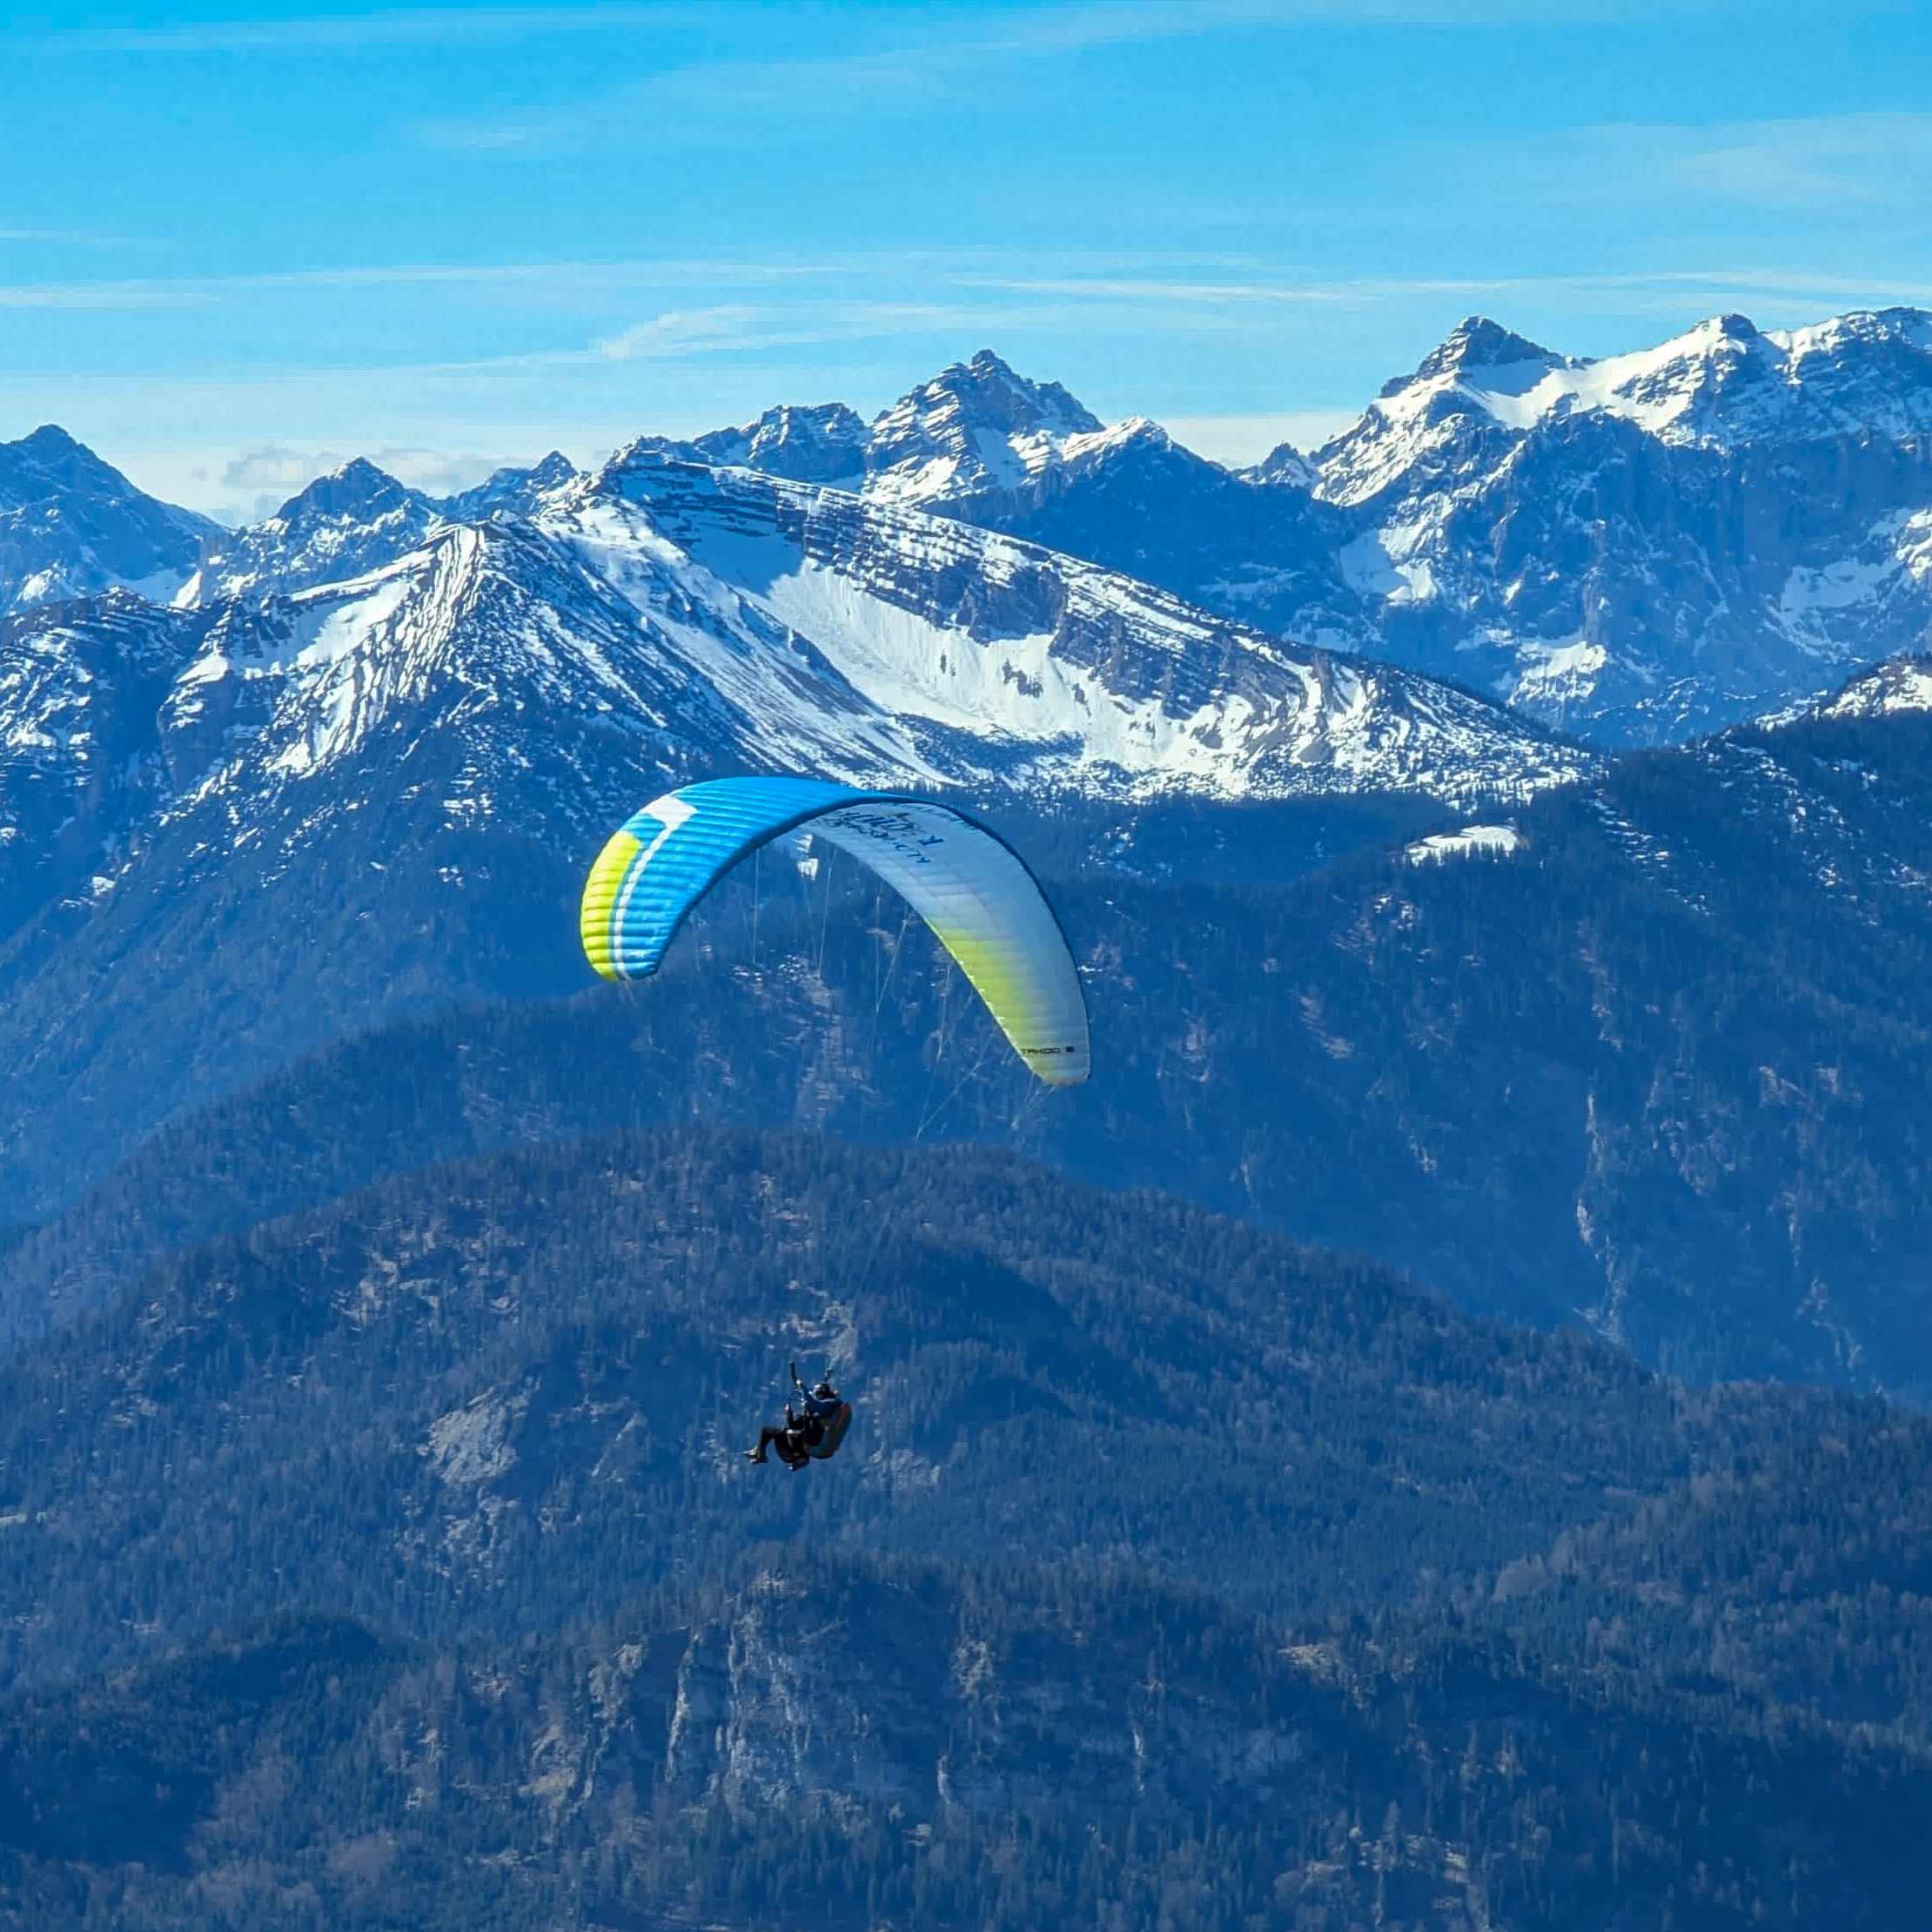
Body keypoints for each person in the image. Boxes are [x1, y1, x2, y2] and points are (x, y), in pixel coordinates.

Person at [745, 1364, 850, 1470]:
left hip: (814, 1439)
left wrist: (803, 1387)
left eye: (818, 1395)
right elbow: (793, 1424)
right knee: (773, 1431)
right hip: (810, 1439)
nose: (817, 1397)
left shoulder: (830, 1404)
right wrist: (789, 1413)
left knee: (782, 1432)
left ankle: (767, 1454)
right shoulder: (816, 1413)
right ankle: (760, 1451)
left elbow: (815, 1404)